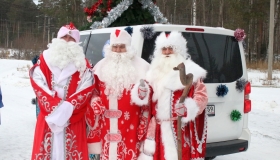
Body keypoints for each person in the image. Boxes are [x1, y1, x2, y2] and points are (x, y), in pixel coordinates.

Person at [29, 22, 95, 160]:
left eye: (71, 39)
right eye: (64, 37)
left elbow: (87, 87)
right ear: (58, 39)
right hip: (48, 119)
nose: (67, 41)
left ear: (76, 42)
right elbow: (38, 82)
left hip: (73, 120)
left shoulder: (83, 64)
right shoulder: (44, 59)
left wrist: (66, 109)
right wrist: (56, 108)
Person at [139, 31, 208, 160]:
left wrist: (188, 108)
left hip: (181, 129)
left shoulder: (192, 71)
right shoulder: (153, 72)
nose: (167, 52)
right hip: (158, 132)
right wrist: (142, 93)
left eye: (171, 48)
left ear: (178, 51)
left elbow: (202, 96)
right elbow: (147, 99)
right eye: (164, 49)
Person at [87, 27, 152, 160]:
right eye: (115, 47)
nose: (118, 50)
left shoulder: (143, 68)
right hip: (106, 126)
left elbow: (150, 99)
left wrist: (144, 122)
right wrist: (95, 101)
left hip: (131, 126)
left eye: (121, 47)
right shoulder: (100, 67)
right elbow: (93, 92)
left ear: (128, 48)